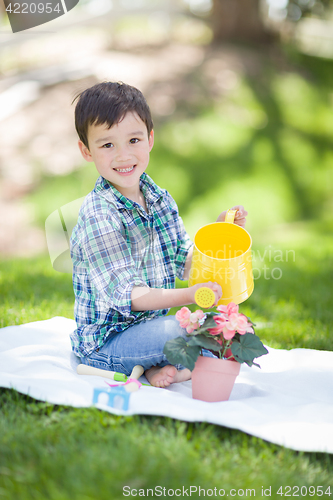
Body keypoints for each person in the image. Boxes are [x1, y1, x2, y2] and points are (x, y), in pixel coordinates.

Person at [70, 81, 248, 388]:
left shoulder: (160, 200)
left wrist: (219, 239)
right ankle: (168, 362)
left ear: (150, 139)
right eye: (107, 145)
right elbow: (132, 297)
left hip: (150, 330)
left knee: (231, 329)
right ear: (87, 151)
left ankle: (156, 367)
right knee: (179, 331)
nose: (123, 155)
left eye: (134, 140)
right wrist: (191, 297)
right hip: (107, 342)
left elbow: (185, 263)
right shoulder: (99, 214)